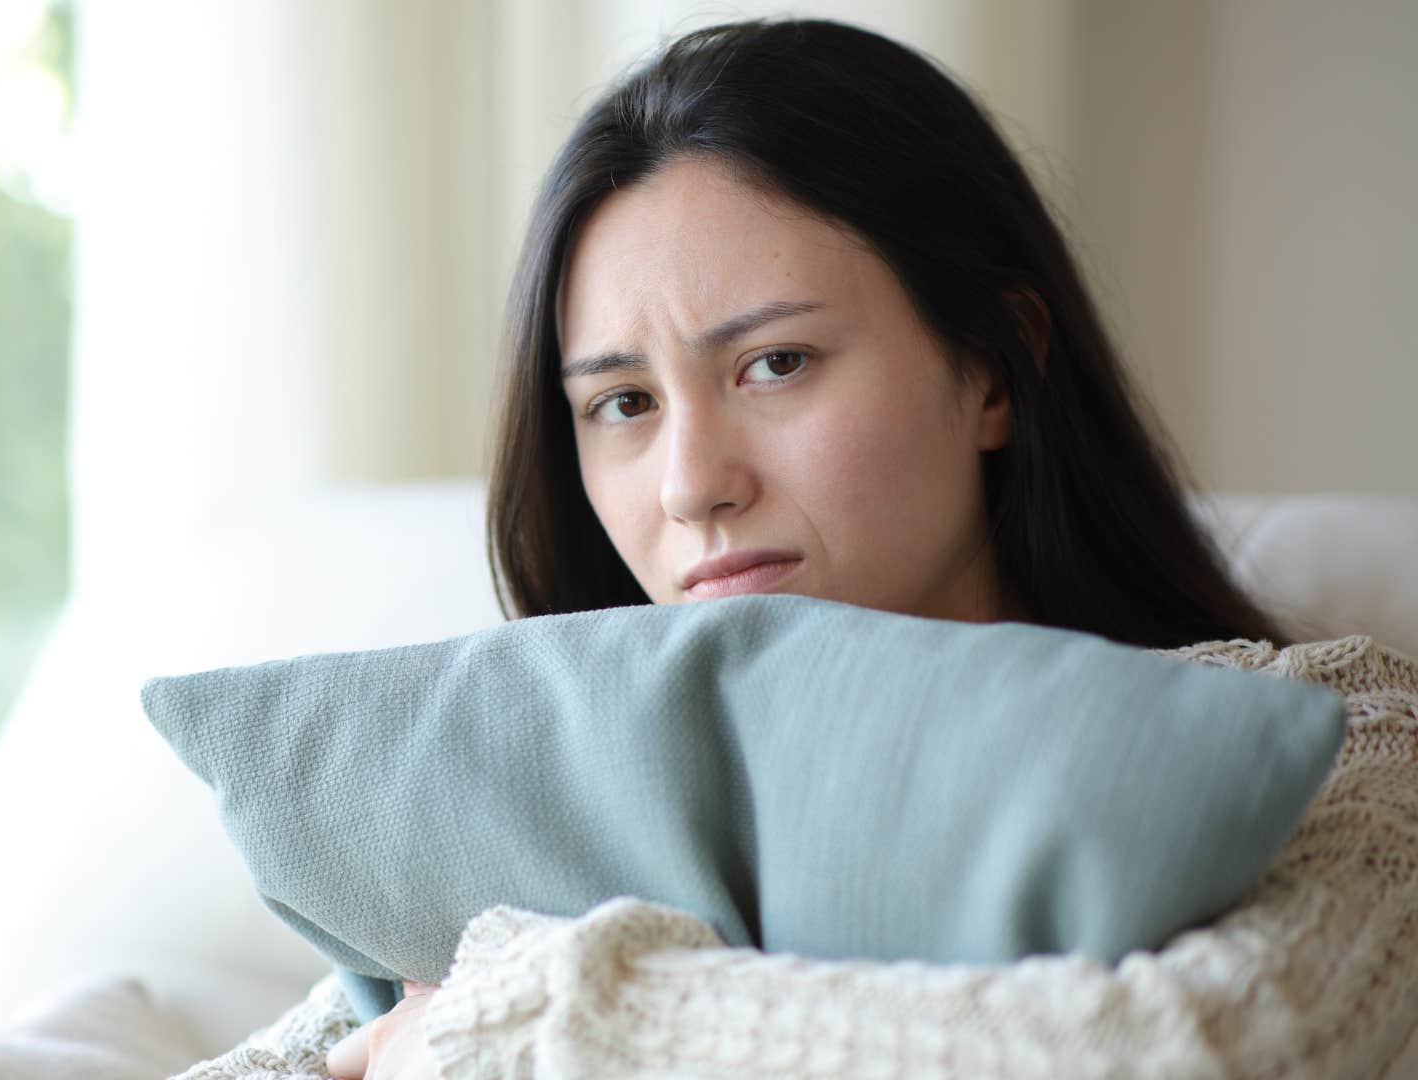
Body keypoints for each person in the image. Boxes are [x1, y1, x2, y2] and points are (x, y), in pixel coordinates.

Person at [179, 17, 1414, 1080]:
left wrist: (518, 1023)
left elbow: (1187, 1054)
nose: (692, 485)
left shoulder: (1342, 733)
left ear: (992, 367)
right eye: (623, 403)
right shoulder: (574, 810)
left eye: (775, 364)